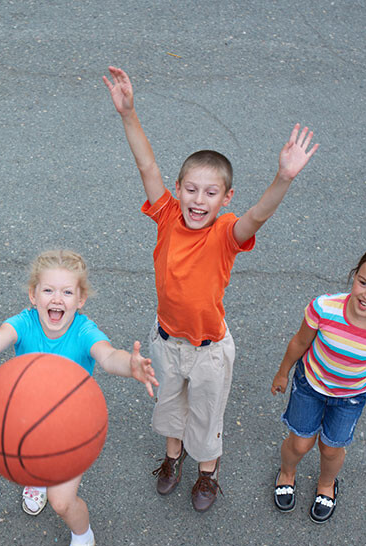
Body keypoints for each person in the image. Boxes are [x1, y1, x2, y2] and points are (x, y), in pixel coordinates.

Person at [103, 65, 319, 512]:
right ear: (178, 189)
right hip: (167, 340)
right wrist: (128, 113)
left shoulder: (225, 234)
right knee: (169, 409)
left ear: (227, 198)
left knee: (207, 415)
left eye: (211, 193)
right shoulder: (166, 214)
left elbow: (258, 216)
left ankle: (207, 474)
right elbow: (147, 164)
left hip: (209, 349)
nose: (199, 201)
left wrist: (284, 178)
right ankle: (172, 458)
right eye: (192, 190)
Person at [0, 250, 158, 546]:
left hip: (71, 429)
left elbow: (108, 355)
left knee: (60, 501)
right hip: (27, 422)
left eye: (67, 292)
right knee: (30, 458)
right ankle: (35, 477)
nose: (57, 299)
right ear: (33, 295)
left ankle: (83, 538)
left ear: (80, 299)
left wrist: (129, 365)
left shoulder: (84, 331)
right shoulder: (24, 322)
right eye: (48, 290)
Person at [269, 242, 366, 523]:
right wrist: (283, 372)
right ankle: (287, 472)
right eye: (363, 282)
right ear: (355, 274)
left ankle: (326, 484)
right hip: (310, 384)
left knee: (332, 447)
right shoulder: (325, 308)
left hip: (351, 396)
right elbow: (300, 341)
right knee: (300, 443)